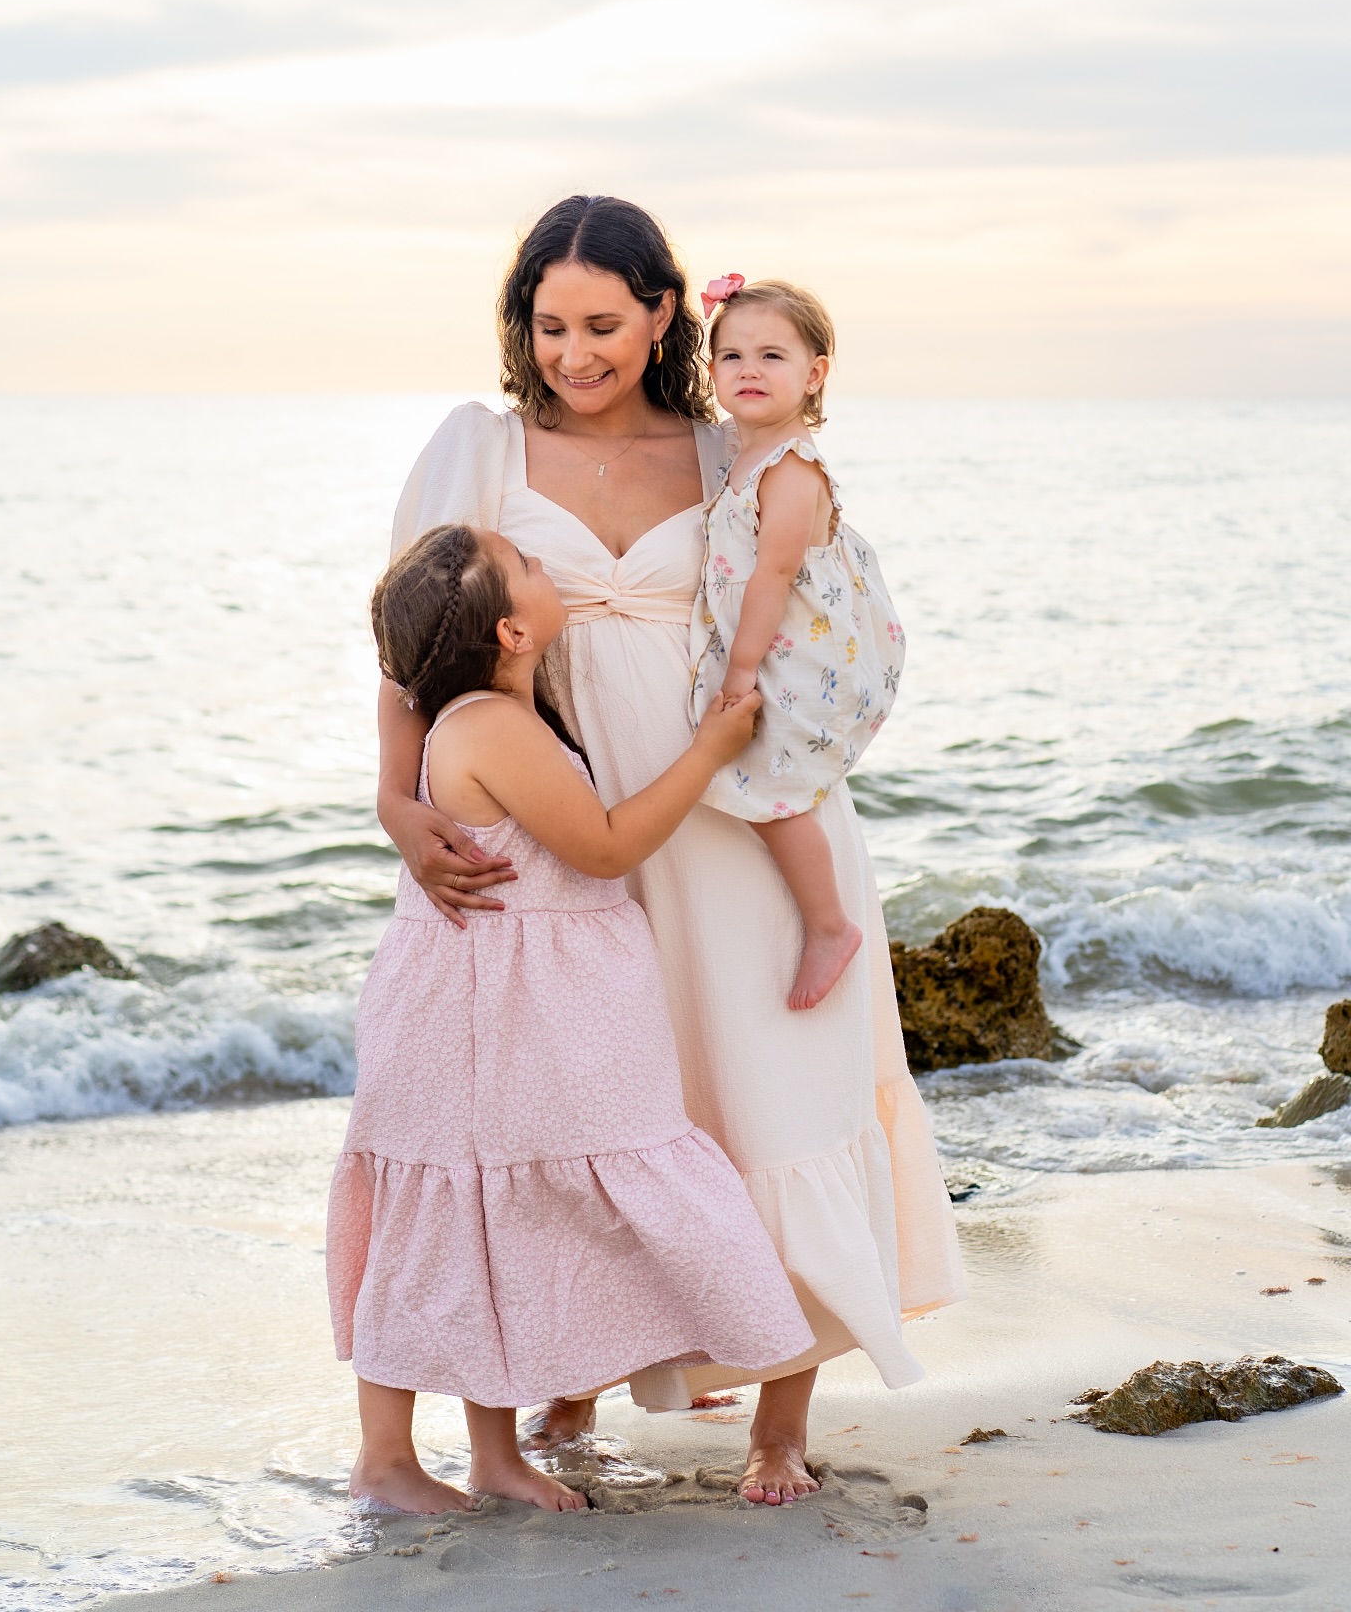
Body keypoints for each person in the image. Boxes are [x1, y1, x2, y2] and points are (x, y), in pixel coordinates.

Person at [377, 195, 964, 1507]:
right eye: (550, 324)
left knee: (771, 1085)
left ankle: (779, 1422)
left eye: (604, 322)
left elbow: (820, 605)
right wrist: (398, 804)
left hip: (741, 811)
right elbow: (410, 647)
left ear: (662, 313)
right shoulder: (479, 450)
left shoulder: (727, 451)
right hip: (567, 828)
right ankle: (571, 1384)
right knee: (591, 1108)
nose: (576, 351)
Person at [326, 522, 814, 1516]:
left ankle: (494, 1456)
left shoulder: (478, 706)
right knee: (446, 1218)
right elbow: (602, 846)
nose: (555, 571)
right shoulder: (491, 729)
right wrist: (713, 750)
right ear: (511, 630)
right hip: (481, 1014)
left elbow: (397, 673)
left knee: (481, 1218)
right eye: (534, 569)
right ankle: (383, 1461)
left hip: (496, 1001)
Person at [689, 276, 906, 1012]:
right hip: (778, 645)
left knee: (773, 782)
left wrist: (740, 669)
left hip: (794, 655)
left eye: (772, 355)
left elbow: (775, 574)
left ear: (813, 374)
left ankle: (827, 925)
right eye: (732, 356)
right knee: (764, 775)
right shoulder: (745, 452)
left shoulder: (789, 468)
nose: (749, 370)